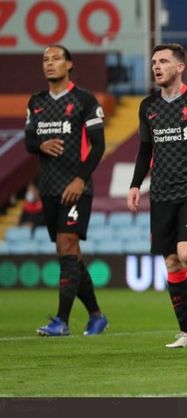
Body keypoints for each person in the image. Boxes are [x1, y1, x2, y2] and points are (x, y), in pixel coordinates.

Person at [127, 43, 187, 349]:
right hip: (161, 193)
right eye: (154, 61)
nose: (156, 66)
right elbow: (145, 150)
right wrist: (134, 184)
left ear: (180, 67)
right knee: (171, 262)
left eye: (164, 61)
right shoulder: (148, 107)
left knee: (186, 255)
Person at [25, 45, 108, 337]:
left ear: (69, 64)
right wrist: (40, 145)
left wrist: (80, 179)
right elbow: (28, 140)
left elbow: (98, 146)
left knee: (67, 244)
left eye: (56, 58)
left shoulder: (85, 100)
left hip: (76, 188)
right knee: (68, 252)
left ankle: (61, 321)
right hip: (48, 186)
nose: (50, 64)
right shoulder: (36, 102)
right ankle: (97, 316)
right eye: (45, 60)